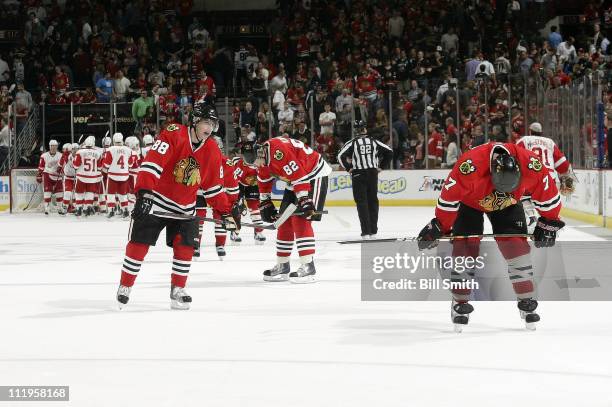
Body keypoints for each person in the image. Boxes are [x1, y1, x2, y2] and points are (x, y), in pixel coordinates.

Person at [417, 143, 565, 331]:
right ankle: (459, 301)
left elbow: (549, 196)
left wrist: (549, 222)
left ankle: (527, 298)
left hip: (509, 203)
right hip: (470, 203)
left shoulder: (531, 164)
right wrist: (440, 226)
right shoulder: (469, 166)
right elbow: (448, 200)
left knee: (516, 248)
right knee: (465, 249)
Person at [115, 104, 241, 310]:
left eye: (213, 124)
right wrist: (145, 192)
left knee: (186, 248)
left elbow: (213, 188)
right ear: (194, 122)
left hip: (185, 208)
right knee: (139, 244)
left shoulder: (211, 150)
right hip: (157, 201)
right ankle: (125, 285)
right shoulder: (174, 134)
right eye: (206, 123)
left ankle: (178, 289)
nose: (209, 128)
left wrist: (226, 211)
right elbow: (152, 163)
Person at [255, 136, 332, 283]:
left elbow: (299, 175)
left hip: (312, 174)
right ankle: (283, 264)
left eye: (256, 162)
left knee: (300, 218)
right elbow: (263, 179)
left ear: (260, 154)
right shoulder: (261, 156)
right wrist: (265, 201)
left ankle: (308, 265)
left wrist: (304, 199)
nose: (256, 165)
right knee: (283, 220)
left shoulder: (278, 151)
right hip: (294, 179)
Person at [337, 120, 393, 239]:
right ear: (365, 129)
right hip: (372, 173)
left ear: (355, 130)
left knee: (362, 203)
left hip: (358, 174)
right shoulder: (374, 141)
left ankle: (365, 232)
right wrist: (381, 166)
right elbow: (389, 152)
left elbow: (340, 156)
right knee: (373, 202)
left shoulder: (352, 143)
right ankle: (373, 231)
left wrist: (348, 168)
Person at [516, 122, 575, 229]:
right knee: (548, 206)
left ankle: (531, 218)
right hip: (549, 180)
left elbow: (515, 160)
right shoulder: (550, 142)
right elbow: (563, 166)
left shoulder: (523, 141)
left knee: (523, 197)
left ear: (530, 131)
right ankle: (551, 224)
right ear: (541, 132)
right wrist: (566, 179)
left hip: (530, 179)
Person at [102, 133, 138, 218]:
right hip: (124, 175)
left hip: (113, 175)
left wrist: (104, 164)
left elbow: (107, 164)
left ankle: (111, 211)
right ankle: (125, 210)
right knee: (123, 194)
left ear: (114, 140)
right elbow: (130, 164)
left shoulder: (110, 149)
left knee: (111, 194)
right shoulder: (128, 150)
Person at [72, 136, 104, 217]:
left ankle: (79, 208)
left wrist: (73, 160)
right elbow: (100, 167)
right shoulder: (98, 153)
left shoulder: (80, 152)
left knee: (79, 193)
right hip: (92, 177)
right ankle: (87, 208)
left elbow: (76, 166)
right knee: (90, 192)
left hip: (82, 176)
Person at [37, 140, 63, 215]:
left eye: (54, 146)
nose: (53, 147)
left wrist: (61, 169)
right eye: (52, 146)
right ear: (49, 146)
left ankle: (59, 208)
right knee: (47, 192)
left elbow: (63, 165)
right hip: (47, 174)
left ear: (57, 147)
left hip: (58, 176)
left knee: (59, 192)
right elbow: (41, 166)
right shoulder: (44, 155)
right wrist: (39, 175)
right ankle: (47, 208)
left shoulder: (60, 155)